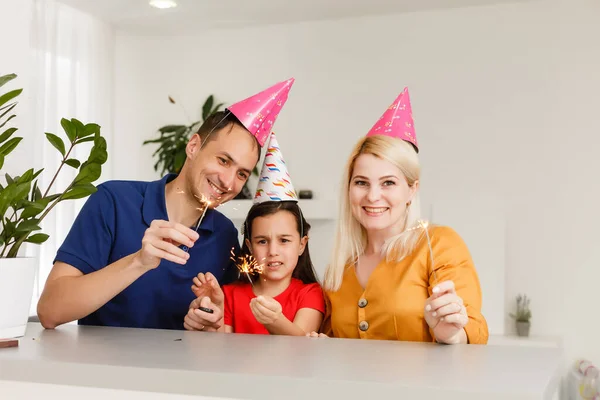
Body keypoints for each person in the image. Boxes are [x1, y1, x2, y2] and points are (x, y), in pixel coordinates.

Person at [37, 78, 296, 331]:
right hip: (103, 372)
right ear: (193, 146)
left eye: (242, 173)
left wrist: (212, 322)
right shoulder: (113, 201)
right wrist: (139, 261)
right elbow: (50, 312)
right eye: (223, 160)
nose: (228, 182)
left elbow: (222, 331)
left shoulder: (225, 235)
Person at [308, 88, 488, 344]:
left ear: (412, 190)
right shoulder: (341, 267)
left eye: (388, 183)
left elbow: (473, 332)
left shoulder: (439, 245)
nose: (372, 196)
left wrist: (451, 333)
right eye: (361, 182)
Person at [186, 133, 325, 335]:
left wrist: (275, 320)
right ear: (250, 247)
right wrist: (212, 312)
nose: (273, 251)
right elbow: (219, 349)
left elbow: (302, 344)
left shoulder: (310, 293)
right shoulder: (230, 294)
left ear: (302, 244)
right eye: (262, 241)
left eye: (284, 240)